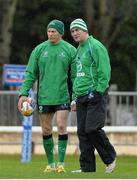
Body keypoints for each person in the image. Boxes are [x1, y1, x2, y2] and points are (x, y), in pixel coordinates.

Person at [18, 19, 76, 173]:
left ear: (61, 33)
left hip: (63, 95)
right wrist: (23, 94)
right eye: (49, 31)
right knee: (46, 130)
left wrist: (76, 96)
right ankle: (50, 164)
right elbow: (30, 73)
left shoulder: (70, 50)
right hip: (44, 97)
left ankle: (61, 163)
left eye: (53, 31)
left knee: (62, 126)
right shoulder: (39, 50)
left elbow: (76, 76)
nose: (50, 34)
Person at [70, 18, 116, 173]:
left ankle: (110, 158)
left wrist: (99, 90)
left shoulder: (95, 46)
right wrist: (75, 98)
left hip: (94, 94)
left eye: (77, 30)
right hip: (81, 96)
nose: (75, 33)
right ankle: (87, 168)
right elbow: (78, 75)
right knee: (82, 132)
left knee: (92, 128)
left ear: (85, 30)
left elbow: (105, 70)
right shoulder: (79, 49)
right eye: (72, 31)